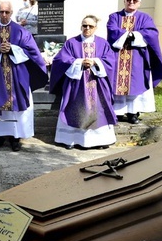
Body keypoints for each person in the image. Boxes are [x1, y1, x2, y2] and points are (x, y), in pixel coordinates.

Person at [0, 0, 48, 152]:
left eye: (7, 12)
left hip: (16, 75)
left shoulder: (21, 31)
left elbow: (32, 52)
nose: (4, 15)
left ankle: (15, 139)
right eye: (1, 12)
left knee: (16, 106)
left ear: (11, 13)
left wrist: (13, 49)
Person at [49, 15, 117, 149]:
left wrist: (95, 62)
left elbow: (111, 61)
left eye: (90, 26)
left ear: (95, 28)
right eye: (84, 25)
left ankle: (99, 141)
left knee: (98, 109)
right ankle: (72, 140)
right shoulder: (71, 42)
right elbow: (61, 60)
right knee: (74, 109)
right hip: (77, 85)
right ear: (81, 26)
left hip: (97, 84)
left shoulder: (103, 43)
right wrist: (79, 62)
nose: (87, 28)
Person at [106, 0, 162, 123]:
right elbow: (112, 30)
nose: (131, 2)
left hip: (137, 57)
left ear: (139, 3)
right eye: (128, 0)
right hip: (117, 56)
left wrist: (133, 35)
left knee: (135, 84)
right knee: (116, 84)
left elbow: (151, 33)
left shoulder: (145, 18)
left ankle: (133, 113)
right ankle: (118, 112)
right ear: (124, 1)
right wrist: (130, 34)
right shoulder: (114, 17)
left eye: (135, 0)